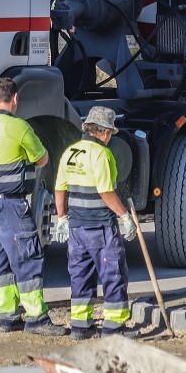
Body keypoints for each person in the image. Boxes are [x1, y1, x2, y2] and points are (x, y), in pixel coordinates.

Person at [0, 77, 65, 336]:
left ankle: (8, 315)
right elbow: (43, 158)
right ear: (14, 100)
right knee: (27, 257)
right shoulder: (19, 127)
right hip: (10, 204)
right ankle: (36, 318)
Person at [52, 106, 139, 340]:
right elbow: (106, 192)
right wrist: (124, 216)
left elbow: (60, 188)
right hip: (100, 227)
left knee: (80, 276)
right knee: (114, 275)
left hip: (77, 229)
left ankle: (81, 327)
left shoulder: (70, 152)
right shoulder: (102, 155)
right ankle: (113, 329)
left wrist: (62, 218)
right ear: (105, 132)